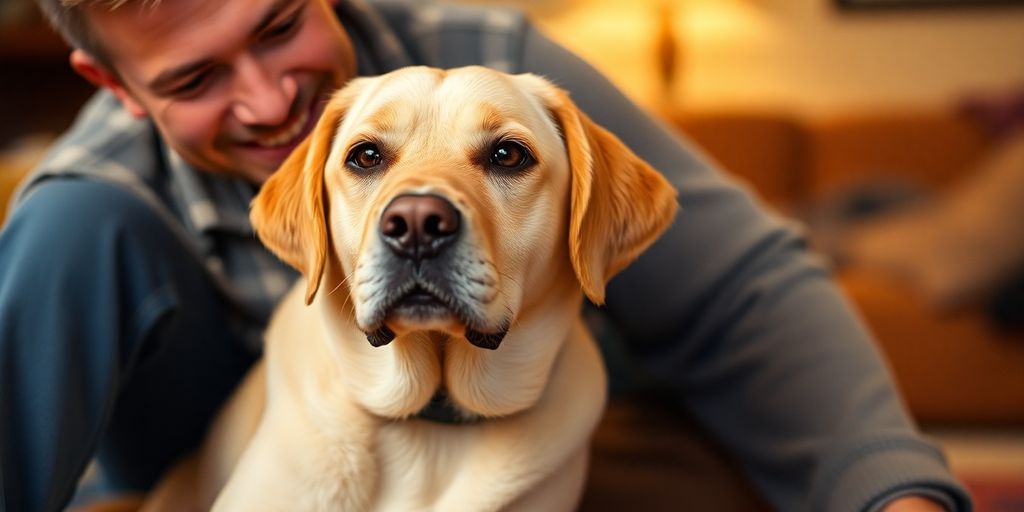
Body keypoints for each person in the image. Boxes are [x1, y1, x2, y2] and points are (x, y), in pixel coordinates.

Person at [0, 1, 970, 511]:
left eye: (280, 22)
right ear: (114, 84)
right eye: (198, 77)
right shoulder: (96, 192)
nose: (267, 102)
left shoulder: (507, 67)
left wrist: (892, 489)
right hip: (219, 428)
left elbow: (743, 287)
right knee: (71, 225)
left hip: (533, 402)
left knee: (732, 474)